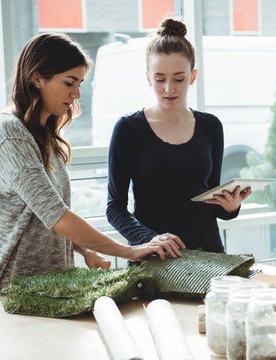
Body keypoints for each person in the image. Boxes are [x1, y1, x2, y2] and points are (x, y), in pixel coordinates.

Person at [0, 33, 182, 298]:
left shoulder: (42, 135)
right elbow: (56, 215)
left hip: (52, 290)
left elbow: (41, 216)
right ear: (37, 79)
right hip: (9, 294)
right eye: (69, 83)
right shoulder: (8, 133)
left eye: (80, 83)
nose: (76, 93)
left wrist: (85, 250)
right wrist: (130, 251)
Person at [106, 18, 252, 254]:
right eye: (160, 78)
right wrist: (151, 239)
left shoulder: (211, 126)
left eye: (178, 78)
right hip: (152, 257)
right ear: (148, 78)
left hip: (208, 254)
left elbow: (213, 202)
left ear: (193, 77)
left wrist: (230, 207)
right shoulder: (128, 129)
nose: (168, 88)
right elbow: (115, 209)